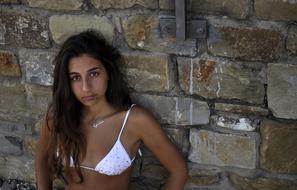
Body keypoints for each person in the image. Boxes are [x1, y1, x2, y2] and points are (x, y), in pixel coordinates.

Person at [35, 30, 188, 190]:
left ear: (108, 72)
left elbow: (178, 170)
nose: (86, 88)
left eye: (93, 74)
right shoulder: (59, 115)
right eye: (75, 78)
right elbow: (42, 159)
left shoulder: (135, 120)